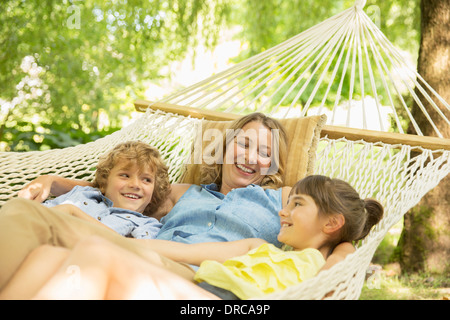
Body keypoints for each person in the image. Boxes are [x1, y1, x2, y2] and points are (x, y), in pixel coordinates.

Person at [0, 113, 351, 292]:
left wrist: (336, 267)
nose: (251, 157)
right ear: (224, 149)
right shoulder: (184, 192)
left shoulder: (285, 198)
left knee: (34, 218)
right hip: (145, 255)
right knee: (45, 242)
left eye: (265, 153)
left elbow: (337, 224)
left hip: (200, 279)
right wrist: (53, 182)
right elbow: (121, 187)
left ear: (274, 164)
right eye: (243, 145)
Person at [0, 175, 382, 299]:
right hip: (182, 276)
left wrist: (342, 244)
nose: (284, 211)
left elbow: (341, 261)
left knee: (94, 256)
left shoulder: (327, 266)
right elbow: (184, 252)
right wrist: (110, 236)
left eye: (296, 204)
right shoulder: (259, 248)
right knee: (47, 256)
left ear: (331, 224)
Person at [42, 140, 170, 239]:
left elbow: (134, 250)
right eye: (125, 175)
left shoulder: (147, 225)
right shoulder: (83, 194)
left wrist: (73, 213)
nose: (135, 185)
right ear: (104, 183)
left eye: (146, 180)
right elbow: (39, 214)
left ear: (154, 193)